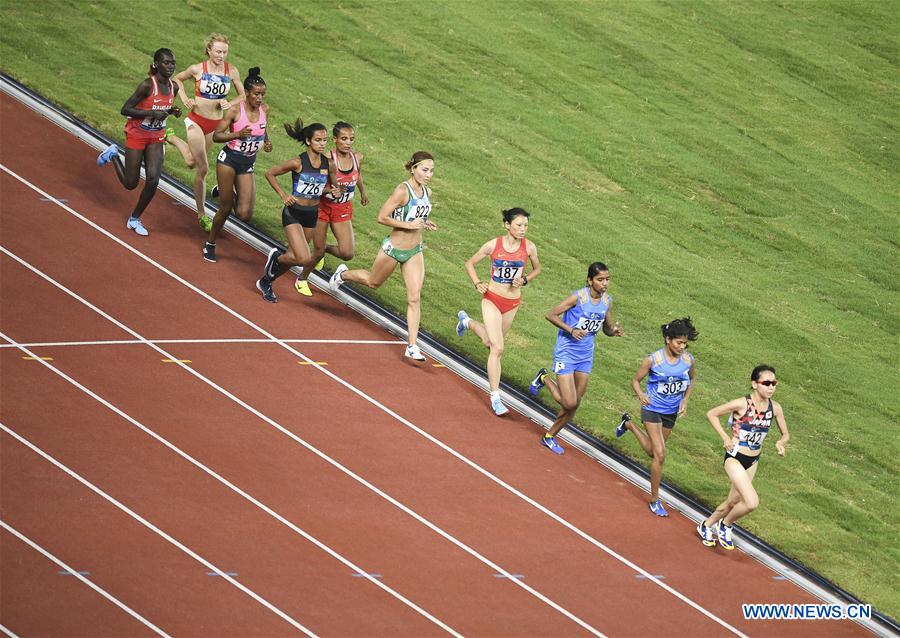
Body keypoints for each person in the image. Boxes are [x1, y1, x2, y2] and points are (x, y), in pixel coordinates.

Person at [329, 151, 435, 361]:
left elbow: (416, 216)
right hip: (394, 248)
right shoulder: (401, 191)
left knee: (414, 297)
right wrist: (408, 225)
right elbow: (382, 217)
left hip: (415, 250)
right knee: (372, 281)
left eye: (431, 171)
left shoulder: (427, 192)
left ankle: (412, 345)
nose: (428, 174)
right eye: (425, 170)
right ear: (413, 169)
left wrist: (424, 222)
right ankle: (342, 275)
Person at [529, 262, 623, 454]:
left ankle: (549, 436)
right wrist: (571, 329)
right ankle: (545, 378)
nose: (604, 283)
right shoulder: (578, 297)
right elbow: (551, 314)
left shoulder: (607, 301)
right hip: (566, 352)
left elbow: (606, 328)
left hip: (585, 355)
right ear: (590, 280)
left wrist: (614, 331)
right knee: (569, 402)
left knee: (575, 403)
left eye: (607, 279)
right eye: (600, 279)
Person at [455, 208, 542, 415]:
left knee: (489, 342)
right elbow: (470, 263)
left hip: (512, 303)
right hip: (492, 300)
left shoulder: (529, 247)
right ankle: (495, 397)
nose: (523, 229)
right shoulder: (493, 245)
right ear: (507, 225)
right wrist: (477, 283)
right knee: (498, 348)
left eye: (526, 225)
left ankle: (466, 322)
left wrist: (525, 279)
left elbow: (538, 269)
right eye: (519, 225)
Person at [696, 365, 789, 550]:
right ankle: (726, 524)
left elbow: (786, 433)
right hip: (735, 458)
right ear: (754, 384)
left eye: (774, 383)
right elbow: (712, 414)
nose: (771, 387)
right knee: (752, 502)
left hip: (753, 460)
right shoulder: (742, 404)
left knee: (734, 501)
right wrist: (724, 437)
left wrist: (781, 443)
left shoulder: (775, 408)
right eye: (766, 383)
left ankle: (706, 525)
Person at [616, 318, 699, 517]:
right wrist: (641, 395)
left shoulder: (688, 360)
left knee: (652, 452)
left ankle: (629, 424)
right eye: (679, 342)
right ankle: (654, 499)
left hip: (671, 412)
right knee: (660, 455)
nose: (682, 346)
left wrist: (685, 400)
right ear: (667, 339)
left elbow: (692, 379)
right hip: (652, 408)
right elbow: (635, 380)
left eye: (685, 343)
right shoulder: (653, 360)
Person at [97, 48, 181, 236]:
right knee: (130, 183)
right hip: (137, 134)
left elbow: (162, 108)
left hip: (156, 136)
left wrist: (171, 111)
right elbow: (125, 109)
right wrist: (151, 113)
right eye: (166, 62)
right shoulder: (146, 86)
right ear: (156, 64)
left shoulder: (174, 87)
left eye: (173, 63)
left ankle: (134, 218)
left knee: (153, 179)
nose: (170, 66)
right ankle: (112, 155)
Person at [169, 33, 245, 232]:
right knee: (203, 169)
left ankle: (171, 137)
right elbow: (177, 78)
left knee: (191, 162)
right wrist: (184, 97)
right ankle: (202, 214)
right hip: (196, 121)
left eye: (225, 52)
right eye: (218, 51)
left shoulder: (232, 71)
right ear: (209, 50)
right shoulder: (197, 69)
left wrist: (230, 102)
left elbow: (243, 95)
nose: (221, 55)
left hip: (216, 124)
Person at [256, 119, 337, 302]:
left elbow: (327, 188)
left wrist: (334, 191)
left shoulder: (329, 164)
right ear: (309, 141)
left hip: (311, 215)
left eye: (325, 140)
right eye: (318, 140)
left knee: (292, 257)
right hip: (293, 212)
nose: (322, 144)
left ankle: (266, 281)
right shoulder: (297, 162)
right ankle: (276, 256)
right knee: (302, 258)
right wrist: (283, 195)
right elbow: (270, 173)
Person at [202, 68, 271, 262]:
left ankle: (222, 190)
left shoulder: (264, 110)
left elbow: (263, 128)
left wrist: (266, 140)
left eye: (262, 94)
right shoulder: (235, 110)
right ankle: (210, 243)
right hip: (229, 160)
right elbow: (216, 135)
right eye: (256, 94)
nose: (260, 98)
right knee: (225, 207)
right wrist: (236, 135)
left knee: (244, 214)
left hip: (247, 163)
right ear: (247, 93)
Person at [297, 121, 369, 295]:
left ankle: (322, 251)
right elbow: (313, 187)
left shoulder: (357, 157)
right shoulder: (328, 160)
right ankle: (302, 279)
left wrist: (362, 192)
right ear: (335, 140)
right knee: (318, 250)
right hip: (322, 207)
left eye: (351, 139)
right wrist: (331, 190)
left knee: (347, 253)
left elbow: (356, 175)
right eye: (343, 139)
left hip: (342, 208)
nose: (348, 143)